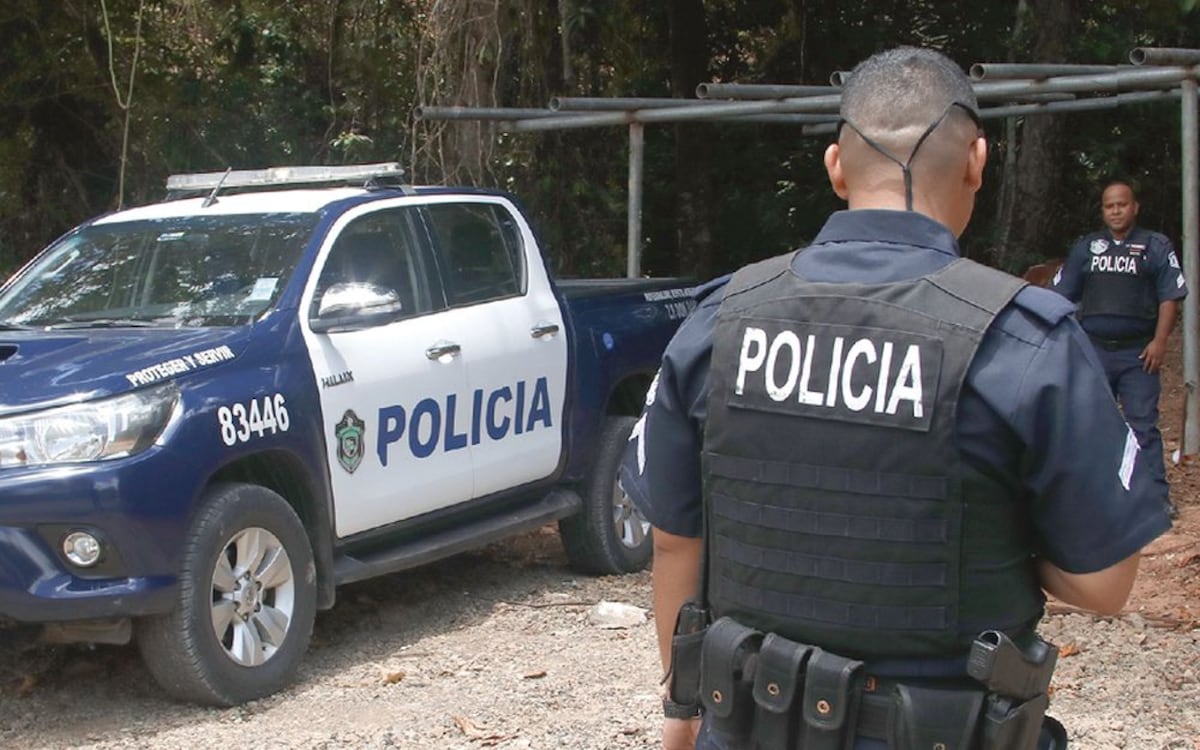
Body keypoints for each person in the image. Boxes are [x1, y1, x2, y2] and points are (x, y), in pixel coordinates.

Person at [620, 47, 1173, 750]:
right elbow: (1105, 583)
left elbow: (675, 539)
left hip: (747, 725)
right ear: (977, 159)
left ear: (835, 166)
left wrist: (680, 712)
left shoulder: (722, 318)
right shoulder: (1028, 340)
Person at [1051, 181, 1187, 518]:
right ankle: (1089, 499)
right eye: (1109, 206)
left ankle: (1155, 499)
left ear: (1135, 207)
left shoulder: (1154, 245)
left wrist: (1160, 341)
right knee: (1089, 424)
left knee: (1143, 425)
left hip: (1138, 354)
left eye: (1122, 204)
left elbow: (1170, 297)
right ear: (1103, 210)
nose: (1115, 211)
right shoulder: (1087, 247)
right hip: (1093, 352)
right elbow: (1060, 295)